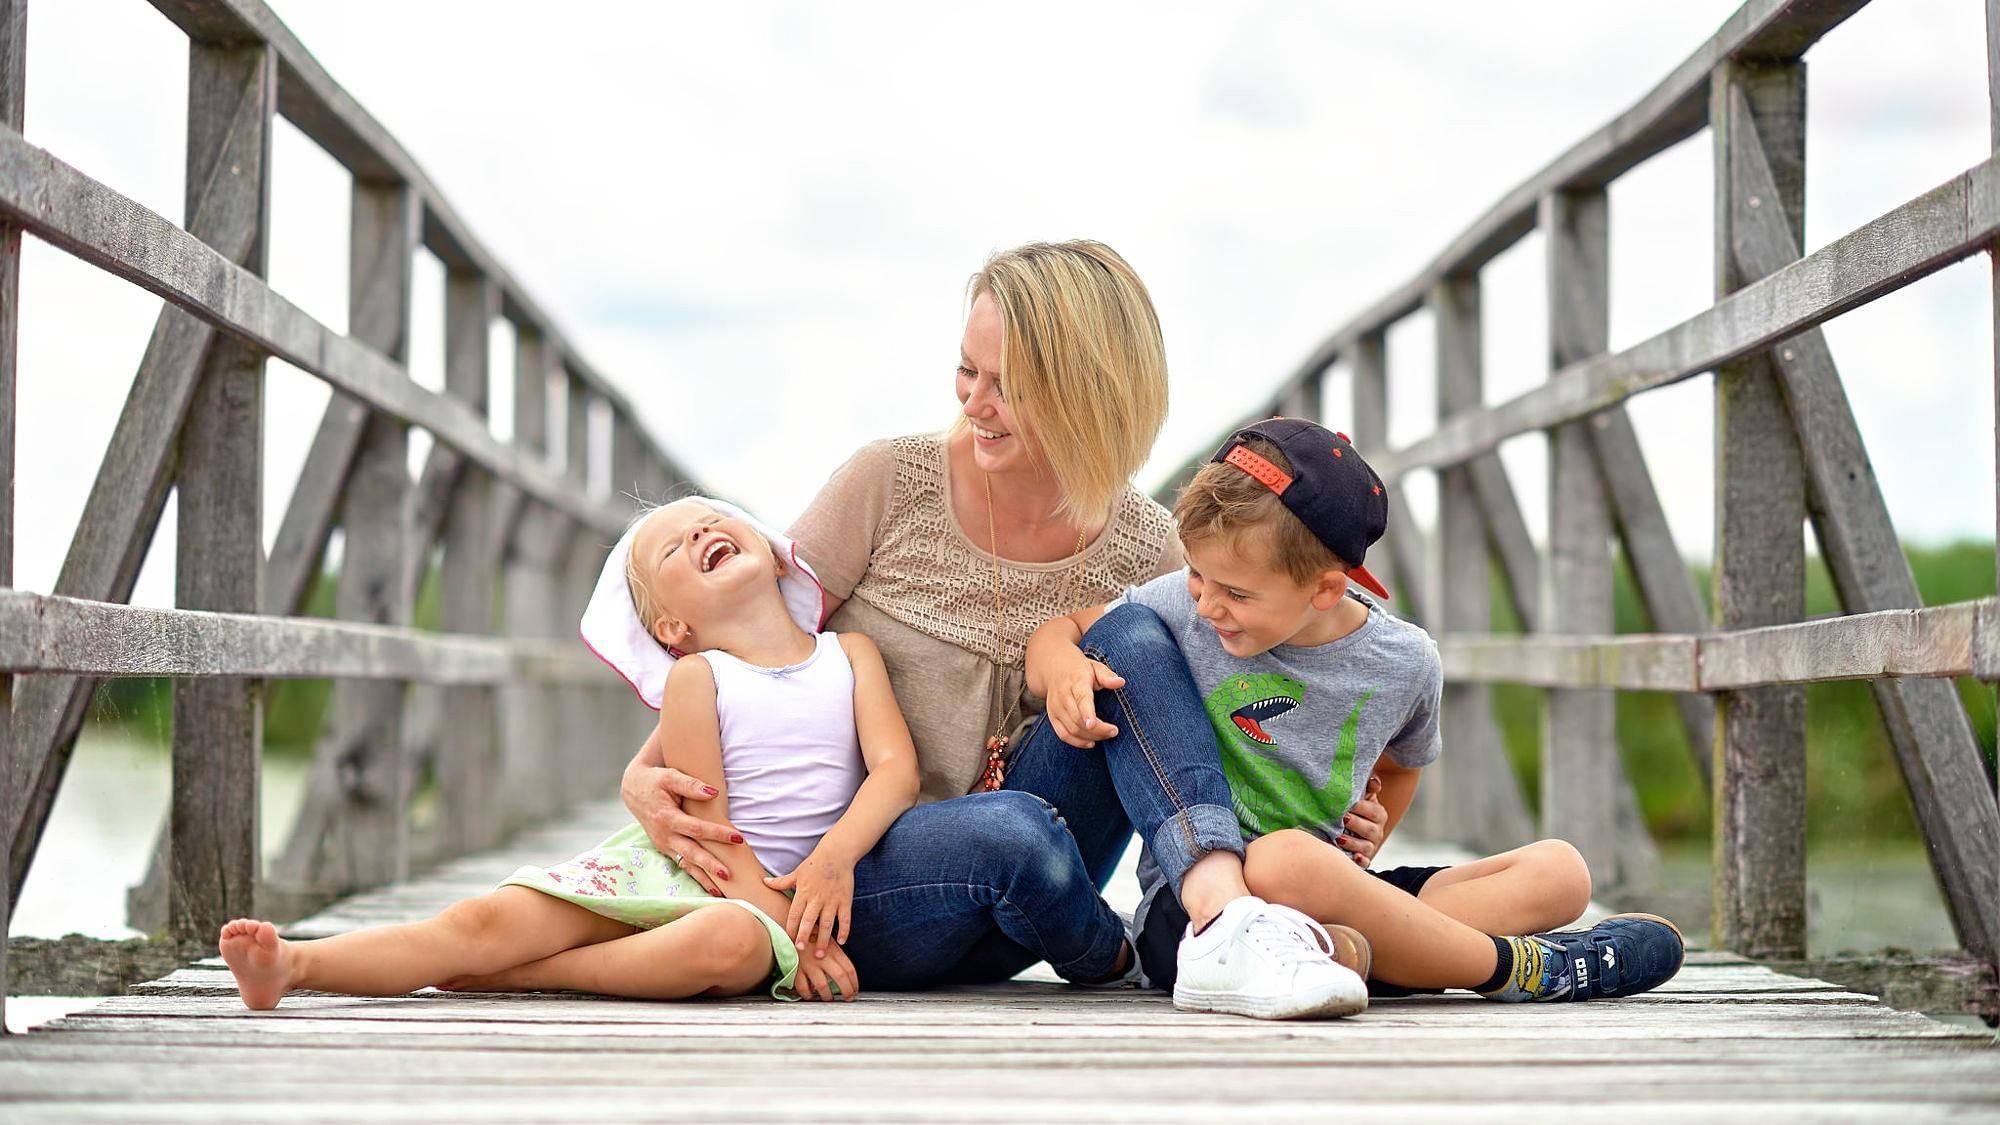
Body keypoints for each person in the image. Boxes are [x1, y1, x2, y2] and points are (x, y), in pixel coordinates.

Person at [620, 241, 1373, 1018]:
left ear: (1089, 394)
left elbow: (1244, 685)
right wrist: (642, 775)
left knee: (1134, 638)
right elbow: (747, 651)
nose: (974, 402)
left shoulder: (1153, 545)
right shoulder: (885, 485)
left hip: (1049, 883)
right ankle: (1124, 952)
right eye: (967, 371)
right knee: (1009, 825)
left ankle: (1223, 920)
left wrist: (1341, 788)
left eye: (1007, 386)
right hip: (863, 891)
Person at [1028, 417, 1688, 1005]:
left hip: (1329, 881)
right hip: (1196, 913)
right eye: (1198, 576)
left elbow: (1401, 762)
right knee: (1283, 863)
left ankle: (1360, 949)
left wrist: (1372, 833)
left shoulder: (1404, 661)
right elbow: (1065, 630)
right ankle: (1526, 967)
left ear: (1325, 588)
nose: (1205, 603)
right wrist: (1060, 661)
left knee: (1561, 873)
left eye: (1233, 591)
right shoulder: (1183, 605)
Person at [217, 497, 919, 1009]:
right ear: (671, 627)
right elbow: (714, 838)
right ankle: (295, 963)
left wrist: (829, 864)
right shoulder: (696, 679)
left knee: (730, 947)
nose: (701, 528)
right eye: (673, 546)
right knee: (480, 922)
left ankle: (528, 973)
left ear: (770, 549)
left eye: (711, 516)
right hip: (698, 875)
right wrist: (801, 946)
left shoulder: (849, 654)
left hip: (742, 913)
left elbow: (896, 772)